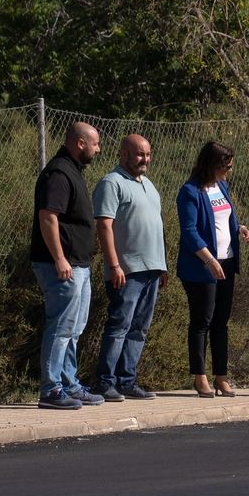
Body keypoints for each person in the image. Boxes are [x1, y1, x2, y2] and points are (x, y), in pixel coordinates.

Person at [30, 121, 104, 410]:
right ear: (80, 143)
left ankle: (69, 383)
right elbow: (48, 217)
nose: (98, 150)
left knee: (74, 328)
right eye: (95, 144)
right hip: (61, 265)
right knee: (61, 326)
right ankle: (50, 389)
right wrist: (60, 258)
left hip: (79, 264)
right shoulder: (59, 173)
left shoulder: (74, 170)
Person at [176, 141, 249, 398]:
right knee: (202, 321)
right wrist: (210, 261)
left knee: (221, 322)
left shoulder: (222, 186)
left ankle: (221, 376)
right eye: (226, 166)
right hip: (202, 267)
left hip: (227, 262)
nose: (229, 171)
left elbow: (224, 218)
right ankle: (200, 377)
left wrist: (239, 228)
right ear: (212, 165)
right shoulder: (190, 191)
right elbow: (190, 232)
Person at [91, 134, 167, 401]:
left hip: (152, 269)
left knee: (139, 328)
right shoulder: (111, 183)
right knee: (119, 326)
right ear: (123, 154)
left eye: (148, 154)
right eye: (139, 154)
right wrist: (114, 265)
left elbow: (155, 226)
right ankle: (104, 382)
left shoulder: (149, 185)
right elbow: (104, 225)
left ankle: (126, 381)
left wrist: (162, 266)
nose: (145, 159)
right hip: (126, 271)